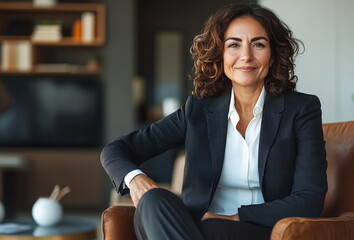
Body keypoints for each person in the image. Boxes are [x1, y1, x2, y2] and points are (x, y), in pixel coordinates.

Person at [101, 3, 327, 240]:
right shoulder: (197, 111)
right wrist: (137, 180)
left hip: (261, 230)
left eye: (258, 44)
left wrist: (236, 217)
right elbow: (115, 150)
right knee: (152, 201)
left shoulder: (301, 110)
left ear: (272, 56)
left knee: (209, 229)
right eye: (234, 45)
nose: (246, 56)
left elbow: (309, 199)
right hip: (195, 228)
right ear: (220, 55)